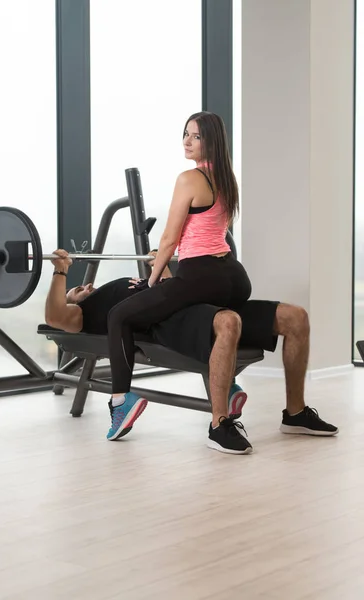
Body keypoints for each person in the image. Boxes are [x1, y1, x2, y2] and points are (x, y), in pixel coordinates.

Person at [45, 249, 338, 454]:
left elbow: (175, 291)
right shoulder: (89, 314)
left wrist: (159, 266)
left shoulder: (118, 288)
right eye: (74, 290)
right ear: (71, 302)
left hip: (185, 299)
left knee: (295, 316)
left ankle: (296, 414)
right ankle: (220, 424)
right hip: (166, 321)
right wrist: (61, 271)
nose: (84, 286)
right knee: (227, 322)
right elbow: (56, 317)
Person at [106, 112, 254, 452]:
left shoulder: (190, 178)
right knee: (206, 317)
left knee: (119, 316)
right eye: (185, 134)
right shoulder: (227, 178)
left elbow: (171, 238)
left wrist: (152, 279)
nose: (186, 141)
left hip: (200, 274)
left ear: (210, 142)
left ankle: (120, 402)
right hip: (234, 276)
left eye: (195, 137)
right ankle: (228, 388)